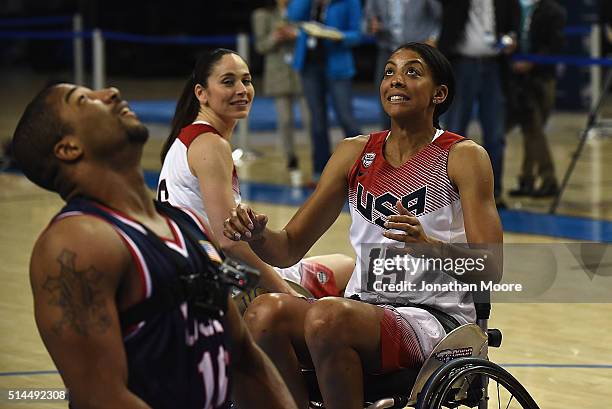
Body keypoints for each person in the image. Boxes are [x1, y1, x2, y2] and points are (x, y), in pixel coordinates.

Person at [223, 43, 503, 409]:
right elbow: (288, 247)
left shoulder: (463, 156)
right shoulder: (353, 153)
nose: (396, 80)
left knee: (329, 315)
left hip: (435, 320)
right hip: (363, 310)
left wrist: (429, 246)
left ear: (440, 94)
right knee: (264, 313)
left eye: (412, 72)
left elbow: (491, 269)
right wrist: (257, 236)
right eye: (389, 72)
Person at [11, 83, 298, 409]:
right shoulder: (77, 243)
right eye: (83, 100)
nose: (110, 92)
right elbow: (102, 398)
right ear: (69, 149)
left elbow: (245, 357)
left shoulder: (185, 224)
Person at [158, 48, 354, 299]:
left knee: (342, 264)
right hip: (216, 281)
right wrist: (288, 294)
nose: (241, 89)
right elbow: (229, 242)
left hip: (194, 272)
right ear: (201, 93)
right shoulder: (210, 144)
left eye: (246, 80)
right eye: (228, 82)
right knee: (346, 272)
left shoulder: (188, 137)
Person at [437, 0, 520, 208]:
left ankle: (494, 193)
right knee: (454, 133)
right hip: (462, 64)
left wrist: (511, 40)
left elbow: (513, 28)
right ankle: (449, 193)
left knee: (495, 134)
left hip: (494, 66)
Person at [286, 0, 362, 184]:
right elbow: (293, 16)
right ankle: (320, 173)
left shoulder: (350, 2)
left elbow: (356, 35)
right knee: (317, 122)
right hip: (309, 65)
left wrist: (339, 37)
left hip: (338, 65)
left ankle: (363, 169)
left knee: (346, 117)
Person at [506, 0, 566, 197]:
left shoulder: (553, 11)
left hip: (542, 77)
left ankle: (541, 179)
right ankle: (532, 179)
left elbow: (555, 45)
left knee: (534, 130)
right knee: (531, 129)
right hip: (517, 79)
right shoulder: (514, 8)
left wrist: (532, 62)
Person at [252, 0, 309, 186]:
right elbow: (261, 46)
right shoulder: (262, 14)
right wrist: (276, 36)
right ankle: (290, 157)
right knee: (285, 120)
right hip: (277, 72)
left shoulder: (302, 8)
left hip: (301, 70)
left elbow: (311, 34)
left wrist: (296, 35)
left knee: (310, 118)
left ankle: (317, 157)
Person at [364, 0, 442, 130]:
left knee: (419, 100)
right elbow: (365, 22)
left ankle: (425, 141)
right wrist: (371, 26)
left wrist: (433, 38)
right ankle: (388, 143)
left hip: (417, 53)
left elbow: (440, 16)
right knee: (387, 100)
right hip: (387, 52)